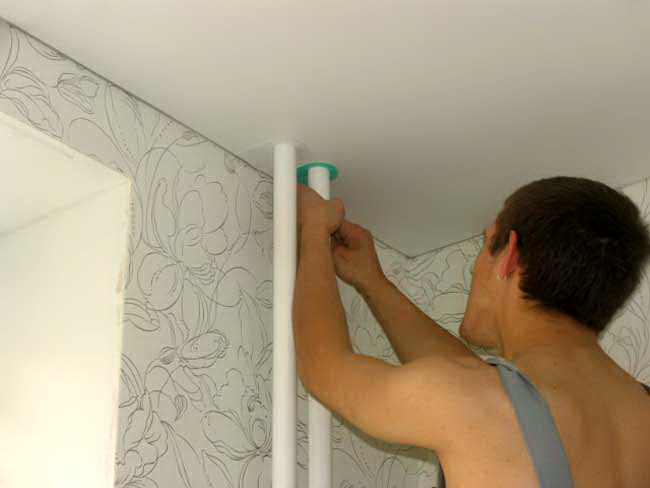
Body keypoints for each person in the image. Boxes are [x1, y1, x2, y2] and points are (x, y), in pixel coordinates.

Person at [293, 175, 650, 488]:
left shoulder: (476, 403)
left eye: (486, 243)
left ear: (510, 256)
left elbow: (324, 366)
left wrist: (313, 230)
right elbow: (503, 400)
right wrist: (374, 283)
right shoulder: (636, 413)